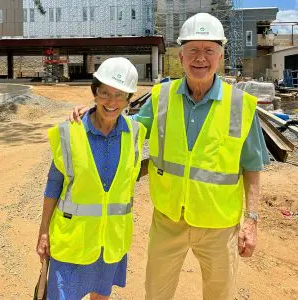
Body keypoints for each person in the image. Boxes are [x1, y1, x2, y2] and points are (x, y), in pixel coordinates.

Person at [70, 13, 269, 300]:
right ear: (181, 55)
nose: (201, 58)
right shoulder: (162, 96)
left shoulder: (240, 104)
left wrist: (251, 221)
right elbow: (126, 130)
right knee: (157, 293)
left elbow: (252, 167)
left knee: (219, 295)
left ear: (221, 55)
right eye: (193, 50)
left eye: (209, 50)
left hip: (219, 226)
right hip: (168, 220)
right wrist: (95, 110)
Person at [36, 57, 147, 300]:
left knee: (101, 296)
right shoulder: (70, 132)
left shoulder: (136, 132)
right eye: (104, 93)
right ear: (94, 93)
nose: (111, 101)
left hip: (109, 242)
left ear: (129, 99)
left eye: (120, 95)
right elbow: (54, 184)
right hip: (72, 242)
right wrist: (44, 231)